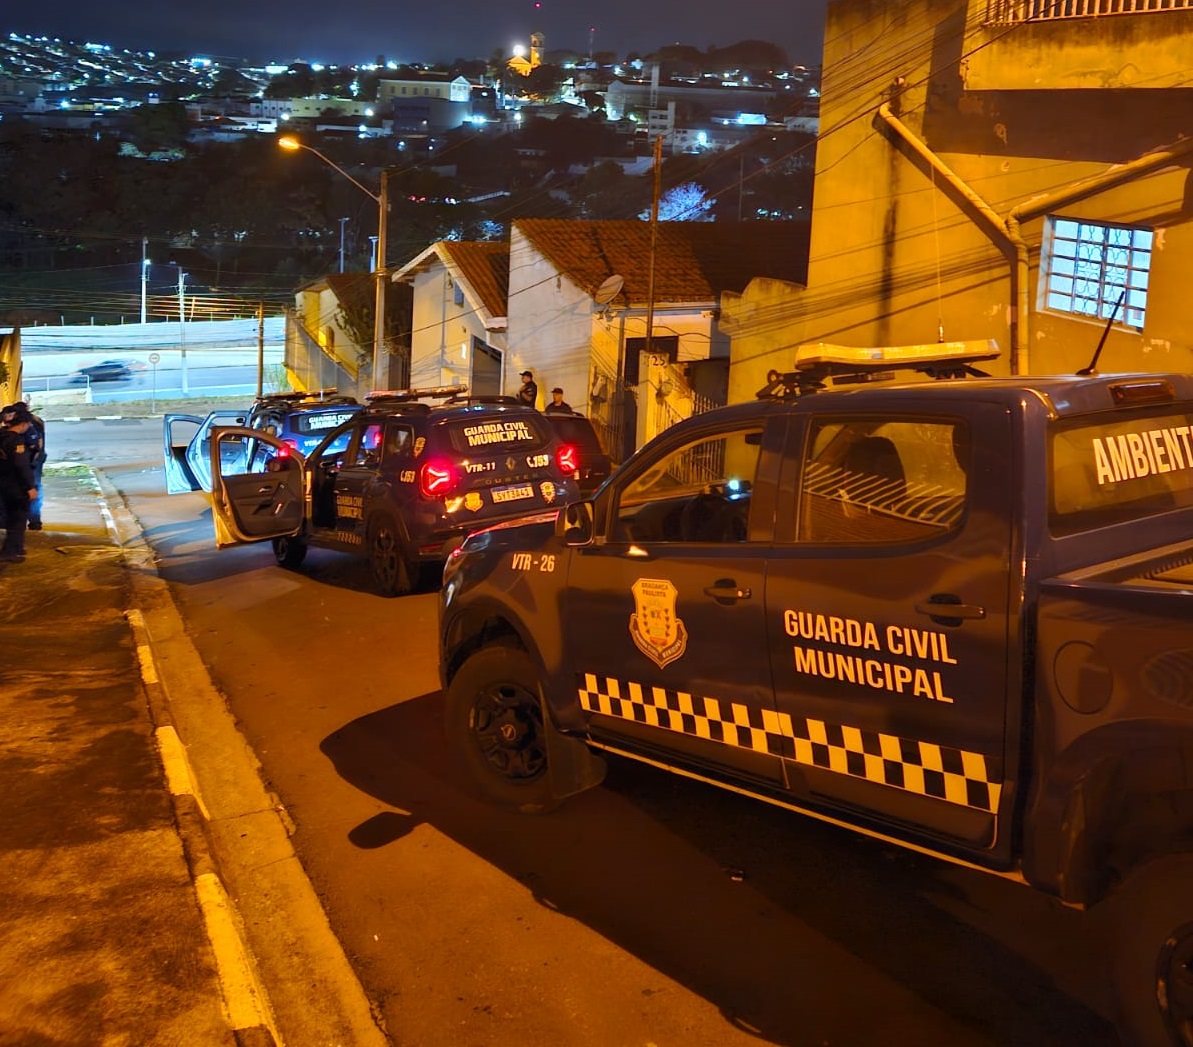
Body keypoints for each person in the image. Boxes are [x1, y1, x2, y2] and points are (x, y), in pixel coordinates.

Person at [0, 403, 39, 563]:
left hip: (3, 484)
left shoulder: (1, 436)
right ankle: (11, 552)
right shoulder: (16, 441)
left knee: (10, 518)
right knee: (18, 519)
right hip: (16, 486)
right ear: (22, 424)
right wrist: (30, 487)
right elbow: (21, 465)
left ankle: (16, 549)